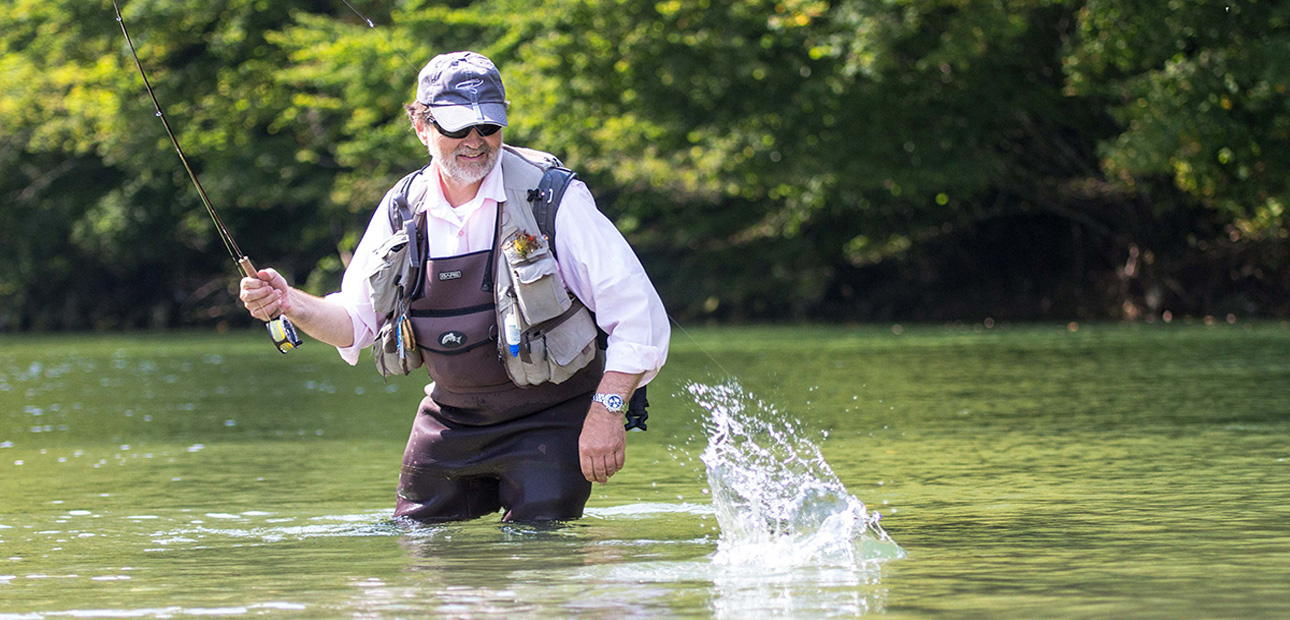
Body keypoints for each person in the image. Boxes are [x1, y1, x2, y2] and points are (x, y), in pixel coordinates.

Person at [239, 51, 669, 522]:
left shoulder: (551, 196)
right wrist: (289, 303)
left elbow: (637, 316)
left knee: (540, 555)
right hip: (452, 418)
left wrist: (607, 412)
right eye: (457, 127)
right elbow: (355, 323)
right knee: (416, 544)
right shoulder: (402, 206)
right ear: (421, 127)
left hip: (553, 415)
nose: (476, 141)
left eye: (488, 126)